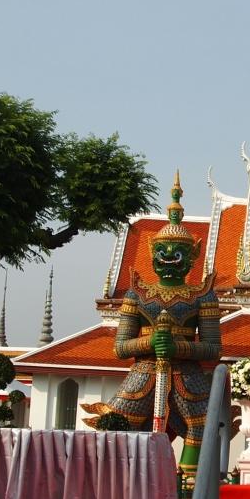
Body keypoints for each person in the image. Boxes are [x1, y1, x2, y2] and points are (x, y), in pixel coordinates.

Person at [81, 174, 221, 478]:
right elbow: (120, 348)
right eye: (162, 253)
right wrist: (150, 342)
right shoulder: (137, 295)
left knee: (202, 425)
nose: (169, 259)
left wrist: (177, 347)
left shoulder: (202, 296)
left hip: (188, 375)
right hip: (144, 373)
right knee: (119, 424)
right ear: (151, 253)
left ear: (194, 256)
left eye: (177, 254)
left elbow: (213, 348)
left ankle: (188, 486)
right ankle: (125, 481)